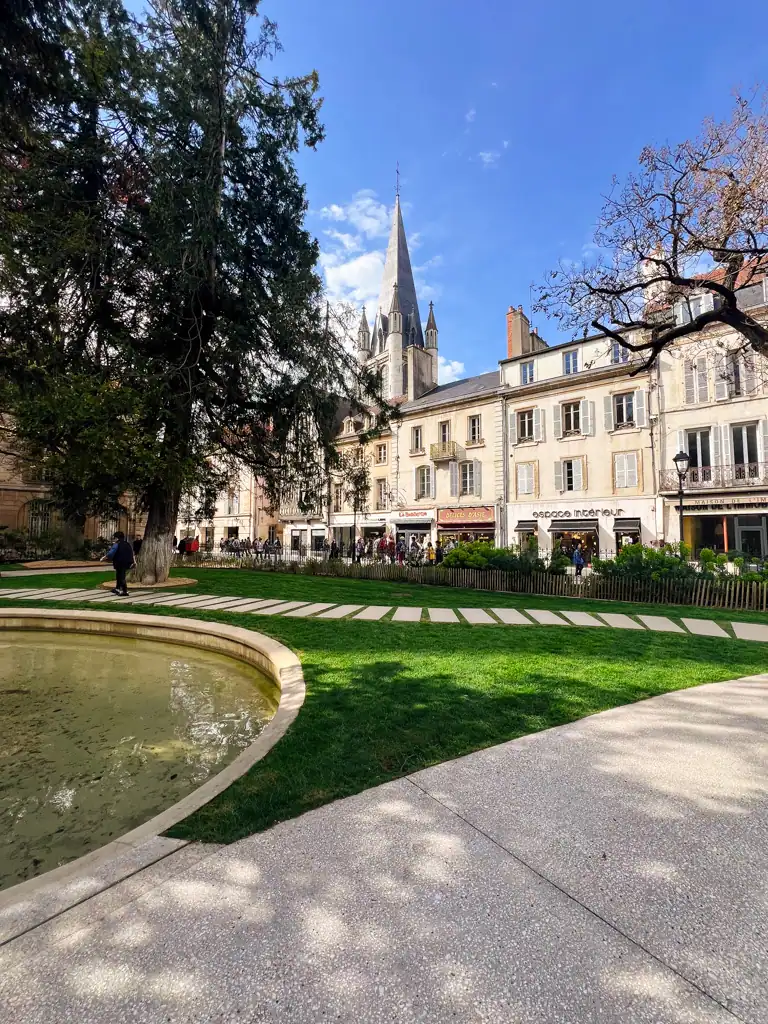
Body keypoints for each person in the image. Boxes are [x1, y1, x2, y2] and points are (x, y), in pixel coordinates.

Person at [100, 530, 135, 596]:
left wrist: (103, 558)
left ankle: (125, 591)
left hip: (119, 562)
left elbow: (111, 553)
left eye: (114, 538)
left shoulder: (117, 544)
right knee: (119, 575)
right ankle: (117, 588)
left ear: (117, 538)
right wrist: (133, 562)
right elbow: (132, 553)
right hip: (127, 562)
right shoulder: (127, 544)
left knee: (121, 576)